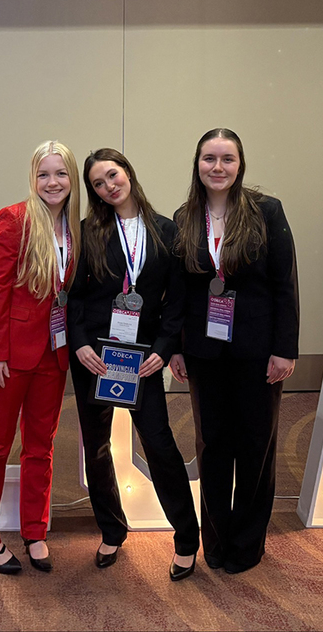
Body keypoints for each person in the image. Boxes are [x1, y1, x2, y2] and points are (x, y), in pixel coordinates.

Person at [169, 128, 299, 575]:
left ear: (240, 164)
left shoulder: (266, 211)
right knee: (213, 445)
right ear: (197, 164)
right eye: (209, 158)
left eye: (227, 159)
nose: (218, 167)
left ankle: (247, 543)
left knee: (256, 445)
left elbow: (284, 285)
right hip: (204, 353)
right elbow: (182, 292)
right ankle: (217, 541)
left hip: (258, 352)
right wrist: (177, 349)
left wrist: (285, 349)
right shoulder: (185, 216)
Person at [67, 148, 200, 581]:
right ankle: (112, 528)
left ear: (128, 172)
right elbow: (74, 297)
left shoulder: (166, 231)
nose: (109, 186)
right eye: (98, 183)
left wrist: (164, 347)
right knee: (97, 445)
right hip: (94, 355)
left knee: (159, 444)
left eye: (112, 175)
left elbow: (175, 301)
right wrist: (81, 343)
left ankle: (186, 538)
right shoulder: (87, 233)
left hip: (142, 357)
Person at [0, 140, 81, 575]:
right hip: (10, 358)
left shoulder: (75, 229)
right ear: (32, 178)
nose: (52, 183)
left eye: (60, 174)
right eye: (43, 174)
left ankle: (34, 531)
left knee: (41, 447)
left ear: (72, 179)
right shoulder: (14, 218)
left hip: (52, 357)